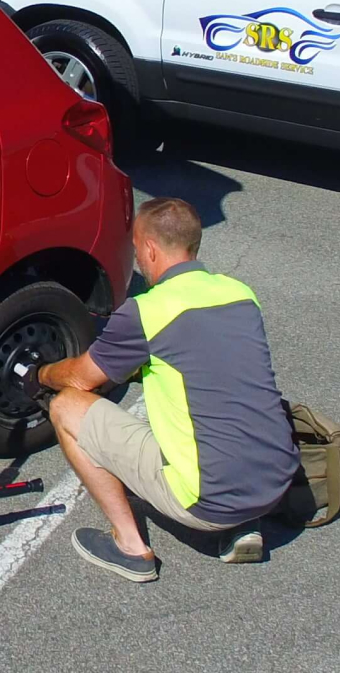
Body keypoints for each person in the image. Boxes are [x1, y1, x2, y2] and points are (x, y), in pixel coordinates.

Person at [33, 196, 301, 581]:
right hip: (276, 483)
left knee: (66, 407)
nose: (137, 257)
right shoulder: (241, 294)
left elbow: (80, 379)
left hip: (207, 502)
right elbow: (206, 361)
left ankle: (130, 547)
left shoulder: (146, 311)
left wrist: (42, 373)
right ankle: (246, 523)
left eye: (137, 248)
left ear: (151, 249)